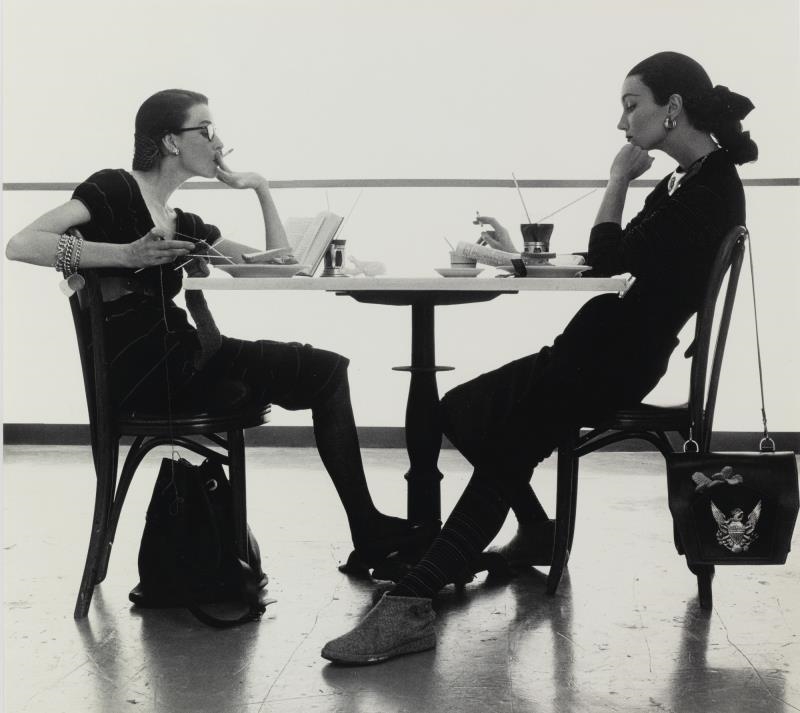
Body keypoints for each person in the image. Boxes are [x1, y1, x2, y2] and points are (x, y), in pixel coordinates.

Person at [321, 51, 757, 665]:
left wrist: (616, 180)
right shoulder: (685, 181)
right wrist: (515, 256)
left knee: (509, 444)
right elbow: (617, 257)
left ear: (673, 107)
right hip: (593, 347)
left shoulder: (712, 190)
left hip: (618, 362)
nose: (622, 122)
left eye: (631, 105)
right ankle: (537, 531)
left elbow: (610, 259)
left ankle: (413, 603)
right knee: (459, 409)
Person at [5, 88, 429, 573]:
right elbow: (21, 244)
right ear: (171, 141)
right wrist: (126, 254)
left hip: (185, 357)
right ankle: (369, 532)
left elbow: (280, 269)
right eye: (206, 130)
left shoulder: (182, 222)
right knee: (319, 374)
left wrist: (260, 188)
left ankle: (368, 530)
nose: (219, 143)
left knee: (326, 370)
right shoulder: (114, 189)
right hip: (151, 373)